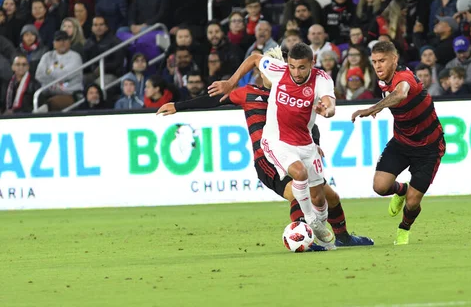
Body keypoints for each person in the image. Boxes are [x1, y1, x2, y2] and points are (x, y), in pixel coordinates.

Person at [157, 48, 372, 249]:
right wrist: (178, 106)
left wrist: (316, 144)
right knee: (298, 193)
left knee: (331, 197)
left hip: (296, 150)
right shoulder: (248, 93)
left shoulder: (295, 92)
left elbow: (310, 124)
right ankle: (304, 239)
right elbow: (214, 100)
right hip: (266, 159)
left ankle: (343, 238)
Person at [208, 43, 339, 249]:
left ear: (312, 64)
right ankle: (309, 219)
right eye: (292, 67)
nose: (296, 72)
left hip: (304, 142)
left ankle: (321, 230)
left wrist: (327, 111)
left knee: (319, 195)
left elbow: (329, 103)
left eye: (302, 68)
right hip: (276, 141)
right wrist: (231, 83)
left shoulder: (322, 79)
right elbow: (254, 58)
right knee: (299, 173)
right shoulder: (278, 70)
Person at [350, 41, 445, 245]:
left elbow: (401, 93)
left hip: (429, 147)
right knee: (380, 187)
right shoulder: (383, 80)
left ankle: (404, 229)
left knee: (413, 203)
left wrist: (372, 108)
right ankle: (401, 190)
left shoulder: (404, 77)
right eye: (374, 61)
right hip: (402, 142)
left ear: (394, 59)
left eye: (382, 61)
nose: (377, 66)